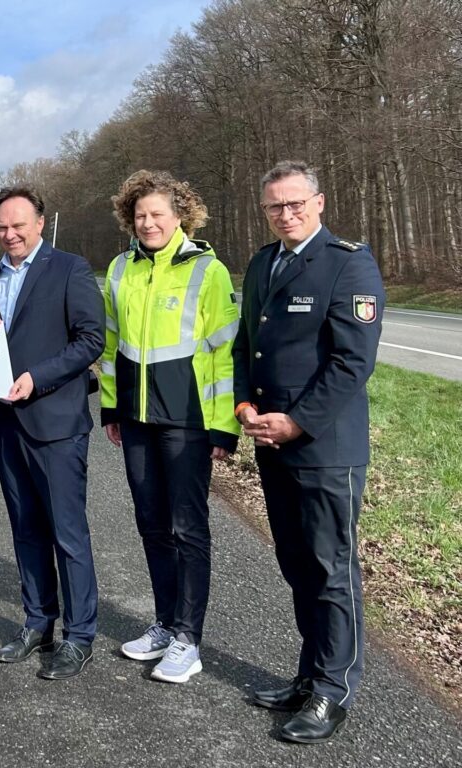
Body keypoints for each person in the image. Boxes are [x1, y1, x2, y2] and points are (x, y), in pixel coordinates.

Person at [234, 160, 383, 743]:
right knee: (297, 565)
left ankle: (333, 690)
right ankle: (308, 675)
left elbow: (352, 361)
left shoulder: (348, 263)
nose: (286, 213)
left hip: (324, 447)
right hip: (272, 441)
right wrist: (244, 404)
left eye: (296, 203)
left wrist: (297, 422)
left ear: (319, 202)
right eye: (275, 205)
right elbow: (247, 344)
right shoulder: (262, 263)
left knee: (330, 568)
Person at [100, 170, 240, 684]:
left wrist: (223, 427)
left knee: (187, 528)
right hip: (136, 420)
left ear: (180, 215)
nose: (148, 223)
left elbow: (225, 354)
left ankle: (188, 639)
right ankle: (164, 623)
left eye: (157, 214)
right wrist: (111, 408)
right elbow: (111, 345)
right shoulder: (120, 268)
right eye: (140, 215)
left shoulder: (208, 270)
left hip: (188, 421)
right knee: (152, 524)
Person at [0, 187, 104, 680]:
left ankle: (80, 636)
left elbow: (91, 339)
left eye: (18, 226)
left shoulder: (70, 269)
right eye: (2, 227)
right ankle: (37, 622)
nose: (10, 235)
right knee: (25, 528)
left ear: (40, 223)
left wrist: (38, 377)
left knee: (67, 533)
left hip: (56, 422)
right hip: (7, 421)